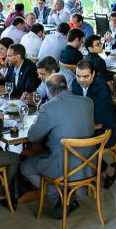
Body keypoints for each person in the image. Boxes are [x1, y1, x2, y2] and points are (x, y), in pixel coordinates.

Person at [22, 74, 95, 218]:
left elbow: (32, 137)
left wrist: (36, 119)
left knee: (25, 166)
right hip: (89, 164)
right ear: (66, 86)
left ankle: (60, 197)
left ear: (49, 91)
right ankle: (66, 196)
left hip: (65, 166)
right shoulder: (88, 102)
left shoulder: (48, 108)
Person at [72, 59, 116, 187]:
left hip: (104, 130)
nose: (81, 80)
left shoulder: (101, 88)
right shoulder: (75, 83)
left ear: (93, 74)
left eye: (85, 76)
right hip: (86, 126)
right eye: (78, 76)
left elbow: (97, 116)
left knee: (79, 146)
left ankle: (108, 171)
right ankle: (78, 174)